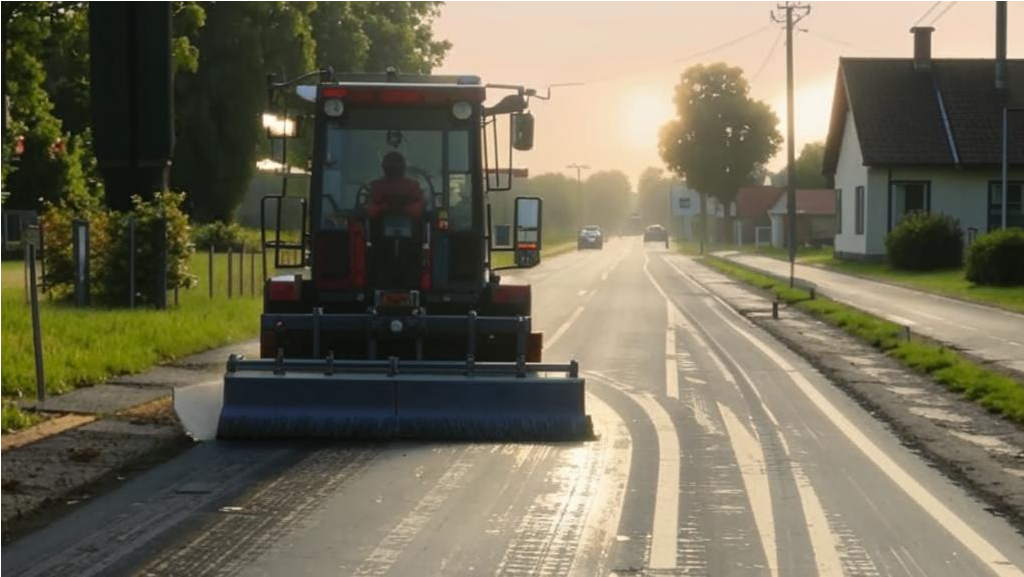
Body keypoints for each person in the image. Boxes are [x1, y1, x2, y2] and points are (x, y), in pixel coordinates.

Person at [366, 151, 424, 219]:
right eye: (392, 165)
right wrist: (403, 208)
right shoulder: (413, 185)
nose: (394, 167)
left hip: (412, 226)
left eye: (396, 164)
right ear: (404, 167)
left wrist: (386, 207)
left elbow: (419, 209)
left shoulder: (376, 185)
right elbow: (371, 210)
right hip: (378, 226)